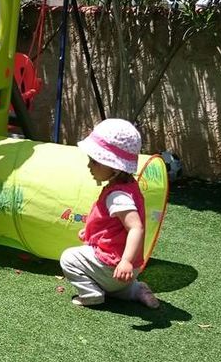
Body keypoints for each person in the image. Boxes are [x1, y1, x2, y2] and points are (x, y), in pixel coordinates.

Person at [60, 118, 160, 309]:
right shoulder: (128, 187)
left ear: (114, 167)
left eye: (95, 162)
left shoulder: (118, 196)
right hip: (126, 270)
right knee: (117, 288)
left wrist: (125, 262)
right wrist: (90, 233)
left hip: (114, 264)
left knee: (68, 258)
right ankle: (136, 290)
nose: (90, 166)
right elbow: (113, 226)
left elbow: (136, 227)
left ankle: (91, 294)